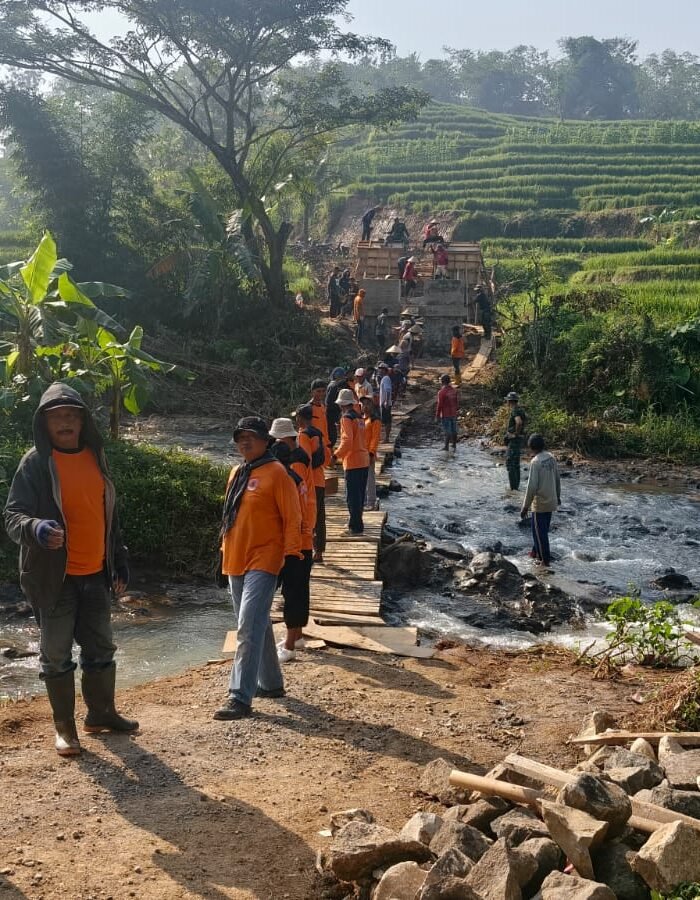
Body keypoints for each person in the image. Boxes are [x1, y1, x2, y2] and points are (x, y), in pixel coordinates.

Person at [4, 383, 137, 757]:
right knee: (56, 655)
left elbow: (110, 515)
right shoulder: (35, 463)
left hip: (95, 574)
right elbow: (13, 516)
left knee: (101, 648)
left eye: (71, 414)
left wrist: (120, 558)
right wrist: (37, 529)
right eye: (56, 416)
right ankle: (65, 729)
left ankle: (101, 714)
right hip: (53, 578)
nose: (65, 421)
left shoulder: (96, 456)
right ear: (44, 424)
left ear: (82, 420)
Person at [215, 417, 302, 720]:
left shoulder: (278, 474)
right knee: (258, 623)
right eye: (240, 437)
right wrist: (222, 552)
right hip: (235, 558)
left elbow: (293, 518)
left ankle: (240, 696)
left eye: (251, 437)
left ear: (267, 441)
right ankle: (271, 683)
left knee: (247, 627)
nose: (245, 442)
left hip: (264, 559)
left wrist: (292, 558)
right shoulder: (237, 472)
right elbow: (230, 517)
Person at [269, 418, 316, 663]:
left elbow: (292, 513)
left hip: (295, 542)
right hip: (303, 538)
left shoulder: (290, 473)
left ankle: (289, 645)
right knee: (297, 590)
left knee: (293, 592)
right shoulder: (297, 462)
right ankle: (296, 636)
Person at [520, 434, 561, 572]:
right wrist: (558, 496)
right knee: (538, 529)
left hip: (540, 503)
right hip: (551, 500)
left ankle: (545, 561)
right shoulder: (551, 458)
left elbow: (531, 486)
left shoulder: (535, 462)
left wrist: (525, 506)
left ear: (531, 448)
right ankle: (535, 552)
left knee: (540, 532)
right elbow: (557, 478)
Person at [334, 389, 369, 536]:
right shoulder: (359, 417)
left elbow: (347, 441)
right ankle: (357, 523)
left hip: (353, 460)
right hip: (363, 459)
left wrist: (335, 455)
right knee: (359, 495)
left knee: (352, 496)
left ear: (342, 404)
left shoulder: (346, 418)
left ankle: (354, 528)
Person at [308, 380, 332, 563]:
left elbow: (325, 432)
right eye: (318, 391)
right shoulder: (307, 410)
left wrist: (329, 450)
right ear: (312, 391)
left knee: (318, 514)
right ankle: (309, 548)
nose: (321, 393)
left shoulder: (323, 407)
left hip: (320, 460)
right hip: (310, 463)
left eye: (323, 391)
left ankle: (319, 550)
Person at [361, 395, 381, 510]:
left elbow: (375, 438)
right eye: (363, 404)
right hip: (360, 453)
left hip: (369, 453)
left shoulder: (375, 420)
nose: (365, 406)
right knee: (362, 478)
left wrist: (371, 453)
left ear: (373, 406)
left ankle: (371, 502)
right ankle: (364, 500)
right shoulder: (361, 419)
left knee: (370, 478)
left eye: (368, 404)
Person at [504, 391, 527, 491]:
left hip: (514, 441)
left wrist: (514, 434)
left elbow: (519, 422)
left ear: (509, 402)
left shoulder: (515, 411)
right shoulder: (521, 410)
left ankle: (513, 488)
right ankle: (516, 487)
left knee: (510, 464)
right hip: (519, 440)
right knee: (516, 464)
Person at [325, 366, 350, 448]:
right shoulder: (334, 386)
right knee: (332, 435)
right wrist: (339, 406)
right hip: (331, 414)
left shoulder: (333, 385)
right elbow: (328, 402)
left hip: (331, 413)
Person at [436, 373, 459, 453]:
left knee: (447, 432)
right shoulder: (454, 390)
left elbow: (440, 405)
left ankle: (446, 447)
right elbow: (456, 402)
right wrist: (456, 411)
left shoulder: (441, 392)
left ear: (442, 381)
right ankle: (454, 445)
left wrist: (437, 416)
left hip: (445, 414)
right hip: (453, 413)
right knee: (454, 430)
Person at [378, 362, 394, 442]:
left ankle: (386, 438)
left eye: (381, 369)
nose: (380, 371)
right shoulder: (384, 378)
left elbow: (388, 391)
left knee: (387, 421)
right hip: (384, 402)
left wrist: (387, 402)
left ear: (384, 370)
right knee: (384, 420)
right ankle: (385, 438)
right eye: (379, 369)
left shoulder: (386, 378)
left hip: (385, 403)